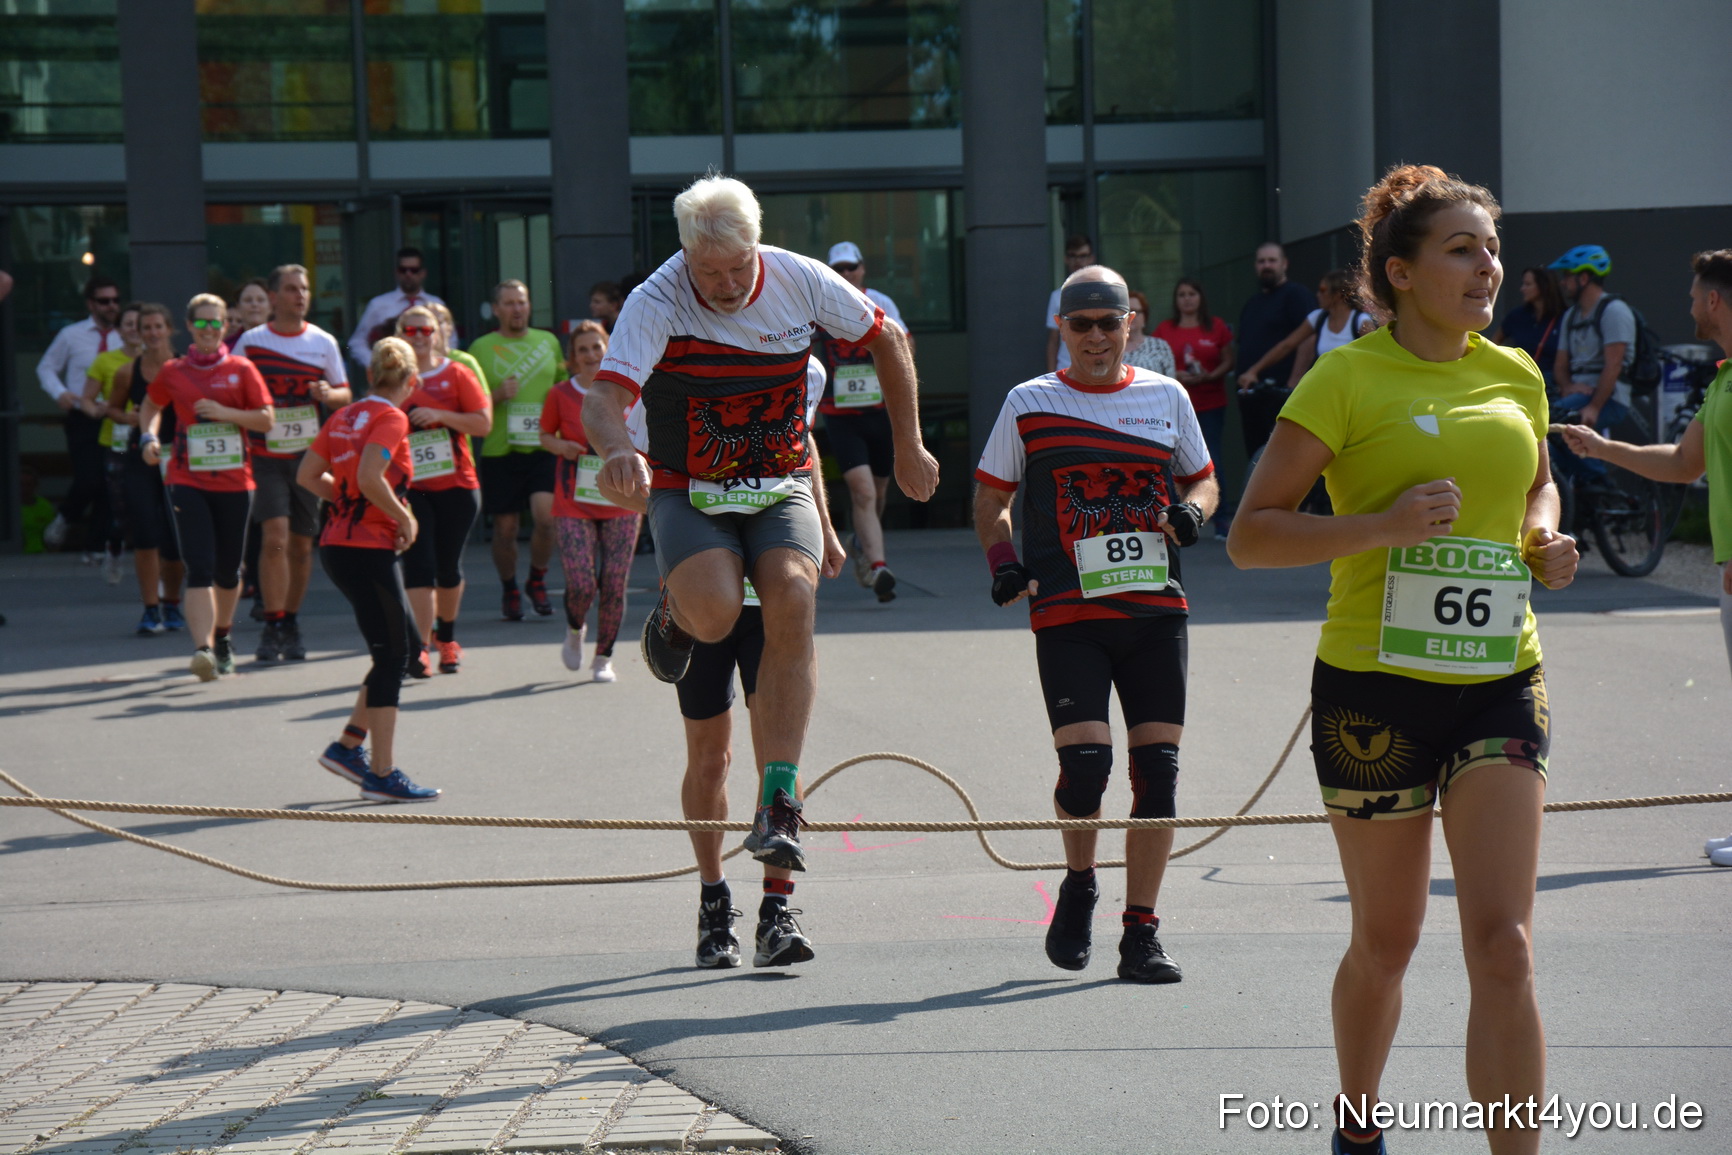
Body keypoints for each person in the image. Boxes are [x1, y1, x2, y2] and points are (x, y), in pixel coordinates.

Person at [1227, 165, 1578, 1155]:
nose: (1487, 267)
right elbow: (1252, 536)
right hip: (1372, 695)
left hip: (1499, 680)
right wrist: (1378, 525)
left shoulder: (1513, 373)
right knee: (1386, 943)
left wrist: (1542, 540)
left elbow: (1536, 491)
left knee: (1503, 946)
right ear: (1401, 272)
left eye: (1492, 249)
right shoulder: (1343, 377)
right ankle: (1357, 1126)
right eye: (1461, 249)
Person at [584, 175, 939, 947]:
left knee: (792, 596)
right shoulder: (658, 298)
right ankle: (677, 609)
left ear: (757, 244)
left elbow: (885, 338)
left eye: (735, 268)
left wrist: (908, 441)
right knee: (713, 615)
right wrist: (616, 449)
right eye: (705, 271)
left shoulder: (801, 278)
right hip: (691, 488)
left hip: (776, 484)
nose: (721, 285)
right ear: (684, 257)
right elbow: (604, 395)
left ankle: (780, 807)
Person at [975, 264, 1219, 985]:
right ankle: (1079, 881)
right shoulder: (1030, 401)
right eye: (1079, 324)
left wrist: (1194, 512)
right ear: (1062, 328)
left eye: (1108, 322)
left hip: (1155, 609)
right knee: (1087, 770)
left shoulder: (1165, 396)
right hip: (1069, 613)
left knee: (1159, 774)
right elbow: (992, 499)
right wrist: (1002, 562)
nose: (1094, 336)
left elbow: (1201, 476)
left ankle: (1141, 930)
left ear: (1130, 325)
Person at [603, 356, 845, 968]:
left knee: (776, 764)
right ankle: (714, 900)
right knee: (712, 759)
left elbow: (802, 447)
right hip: (704, 596)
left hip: (769, 602)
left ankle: (776, 911)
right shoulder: (663, 373)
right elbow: (622, 480)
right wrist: (680, 533)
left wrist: (824, 525)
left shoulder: (796, 363)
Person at [1555, 250, 1732, 868]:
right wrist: (1604, 449)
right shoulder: (1725, 378)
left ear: (1714, 300)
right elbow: (1684, 464)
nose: (1687, 304)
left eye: (1693, 294)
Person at [298, 337, 441, 804]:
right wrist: (403, 516)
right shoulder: (391, 417)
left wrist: (349, 503)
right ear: (412, 381)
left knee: (401, 647)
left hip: (341, 544)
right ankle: (381, 773)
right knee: (392, 656)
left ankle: (348, 747)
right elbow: (367, 478)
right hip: (364, 547)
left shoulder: (344, 415)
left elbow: (308, 475)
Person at [138, 294, 275, 682]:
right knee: (198, 564)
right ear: (190, 327)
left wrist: (225, 413)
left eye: (216, 323)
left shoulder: (242, 368)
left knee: (228, 569)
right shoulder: (174, 370)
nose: (210, 330)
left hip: (235, 480)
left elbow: (266, 419)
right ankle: (202, 651)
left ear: (226, 327)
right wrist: (148, 438)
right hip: (186, 477)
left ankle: (223, 635)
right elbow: (150, 406)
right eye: (202, 323)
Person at [232, 264, 350, 662]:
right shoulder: (251, 341)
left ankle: (290, 621)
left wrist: (327, 393)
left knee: (301, 546)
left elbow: (345, 393)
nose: (300, 296)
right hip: (264, 455)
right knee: (275, 535)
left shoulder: (323, 341)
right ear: (273, 296)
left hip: (308, 456)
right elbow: (233, 387)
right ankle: (272, 621)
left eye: (304, 289)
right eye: (291, 289)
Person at [540, 321, 640, 679]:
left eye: (596, 347)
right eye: (582, 349)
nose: (590, 355)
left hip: (623, 500)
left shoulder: (629, 391)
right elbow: (544, 435)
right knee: (582, 583)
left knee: (614, 581)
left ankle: (603, 657)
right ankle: (574, 628)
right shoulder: (560, 394)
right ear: (572, 357)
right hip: (574, 500)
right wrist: (560, 446)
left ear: (608, 349)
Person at [396, 304, 490, 676]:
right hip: (410, 487)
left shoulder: (457, 372)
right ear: (399, 333)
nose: (419, 337)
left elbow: (483, 424)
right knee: (419, 565)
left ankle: (446, 638)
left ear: (439, 333)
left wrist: (441, 416)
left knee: (447, 568)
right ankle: (419, 647)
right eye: (411, 330)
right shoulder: (392, 376)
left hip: (455, 484)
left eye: (426, 330)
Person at [815, 240, 912, 603]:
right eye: (837, 269)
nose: (845, 275)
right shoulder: (819, 305)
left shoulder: (881, 302)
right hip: (841, 416)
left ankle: (861, 542)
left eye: (850, 268)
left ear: (862, 268)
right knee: (863, 491)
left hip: (879, 413)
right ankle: (878, 566)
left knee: (880, 491)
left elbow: (905, 345)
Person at [471, 279, 565, 621]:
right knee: (506, 529)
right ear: (496, 309)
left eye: (521, 302)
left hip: (541, 445)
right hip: (500, 450)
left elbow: (562, 391)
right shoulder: (481, 348)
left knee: (546, 520)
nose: (516, 309)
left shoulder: (548, 342)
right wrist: (495, 397)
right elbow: (470, 402)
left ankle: (537, 579)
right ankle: (509, 586)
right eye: (509, 303)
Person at [104, 304, 187, 634]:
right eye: (145, 328)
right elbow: (112, 408)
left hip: (179, 458)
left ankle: (172, 604)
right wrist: (128, 416)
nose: (152, 333)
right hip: (142, 458)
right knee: (145, 534)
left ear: (169, 329)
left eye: (157, 327)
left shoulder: (185, 367)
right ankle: (150, 608)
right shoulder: (128, 371)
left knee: (175, 538)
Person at [37, 275, 123, 554]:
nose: (111, 306)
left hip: (116, 415)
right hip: (82, 417)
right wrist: (60, 393)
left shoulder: (126, 335)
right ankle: (65, 518)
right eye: (104, 301)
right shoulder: (70, 334)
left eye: (115, 300)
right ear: (91, 304)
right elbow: (46, 367)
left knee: (110, 482)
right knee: (89, 478)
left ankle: (97, 547)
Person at [1154, 277, 1236, 524]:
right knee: (1171, 464)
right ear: (1176, 300)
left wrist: (1211, 375)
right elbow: (1159, 365)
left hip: (1210, 403)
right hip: (1176, 408)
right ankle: (1174, 518)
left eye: (1192, 294)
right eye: (1182, 294)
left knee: (1212, 462)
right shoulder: (1165, 329)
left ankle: (1220, 521)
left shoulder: (1216, 326)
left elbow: (1229, 361)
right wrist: (1175, 376)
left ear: (1200, 298)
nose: (1187, 299)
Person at [1548, 244, 1632, 482]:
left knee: (1559, 425)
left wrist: (1594, 406)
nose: (1563, 283)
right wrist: (1568, 387)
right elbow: (1560, 366)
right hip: (1577, 396)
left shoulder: (1614, 311)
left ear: (1584, 278)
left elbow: (1614, 365)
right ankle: (1575, 498)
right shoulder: (1571, 316)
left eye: (1567, 277)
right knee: (1552, 434)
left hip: (1610, 399)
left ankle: (1601, 483)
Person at [1235, 243, 1318, 455]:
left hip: (1281, 396)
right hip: (1253, 397)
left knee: (1283, 457)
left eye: (1272, 260)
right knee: (1255, 457)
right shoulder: (1251, 303)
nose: (1266, 266)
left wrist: (1293, 383)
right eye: (1262, 261)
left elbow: (1308, 338)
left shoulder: (1296, 295)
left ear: (1285, 264)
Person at [1238, 269, 1376, 393]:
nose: (1317, 295)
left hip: (1355, 392)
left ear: (1338, 295)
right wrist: (1254, 371)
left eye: (1322, 290)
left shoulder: (1360, 321)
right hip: (1327, 393)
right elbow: (1287, 345)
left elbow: (1376, 356)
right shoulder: (1318, 318)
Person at [83, 301, 144, 583]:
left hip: (150, 441)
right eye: (128, 324)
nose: (134, 329)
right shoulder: (105, 361)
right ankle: (115, 549)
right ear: (119, 330)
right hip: (116, 441)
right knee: (120, 507)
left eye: (138, 324)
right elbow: (87, 399)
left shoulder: (161, 361)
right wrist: (99, 408)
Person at [347, 247, 445, 370]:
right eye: (403, 270)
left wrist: (440, 366)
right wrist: (376, 365)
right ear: (397, 272)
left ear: (423, 273)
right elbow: (356, 343)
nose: (408, 274)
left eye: (414, 270)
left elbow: (449, 340)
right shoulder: (378, 304)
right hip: (392, 376)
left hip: (431, 372)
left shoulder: (436, 304)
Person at [1491, 267, 1563, 393]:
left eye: (1528, 284)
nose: (1522, 289)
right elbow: (1495, 341)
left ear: (1543, 286)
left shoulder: (1564, 317)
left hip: (1552, 385)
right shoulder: (1518, 316)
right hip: (1522, 380)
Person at [1045, 235, 1096, 374]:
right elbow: (1053, 340)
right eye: (1073, 256)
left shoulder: (1102, 293)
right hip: (1065, 368)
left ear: (1091, 258)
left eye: (1083, 255)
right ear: (1066, 259)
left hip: (1097, 366)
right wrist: (1051, 375)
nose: (1078, 261)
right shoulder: (1057, 296)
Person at [1122, 290, 1176, 377]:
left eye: (1135, 311)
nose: (1131, 316)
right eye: (1126, 312)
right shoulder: (1111, 347)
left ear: (1145, 316)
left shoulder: (1159, 346)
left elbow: (1171, 380)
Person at [223, 278, 270, 349]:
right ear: (238, 307)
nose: (254, 304)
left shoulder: (283, 340)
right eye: (248, 300)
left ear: (271, 306)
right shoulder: (226, 347)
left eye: (260, 300)